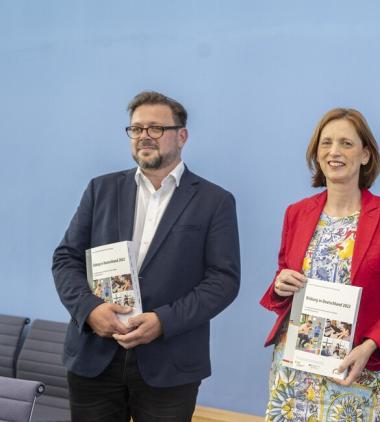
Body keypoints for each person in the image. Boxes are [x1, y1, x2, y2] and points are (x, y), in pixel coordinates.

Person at [52, 91, 241, 421]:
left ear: (181, 136)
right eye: (136, 129)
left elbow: (223, 281)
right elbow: (66, 258)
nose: (144, 137)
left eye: (156, 128)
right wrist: (89, 309)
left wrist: (163, 322)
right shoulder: (101, 189)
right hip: (93, 359)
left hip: (170, 364)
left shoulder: (215, 201)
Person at [260, 108, 380, 421]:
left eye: (346, 144)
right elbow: (283, 277)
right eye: (326, 143)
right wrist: (281, 284)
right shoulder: (297, 213)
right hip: (294, 371)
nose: (334, 152)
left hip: (356, 370)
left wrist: (369, 348)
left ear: (365, 155)